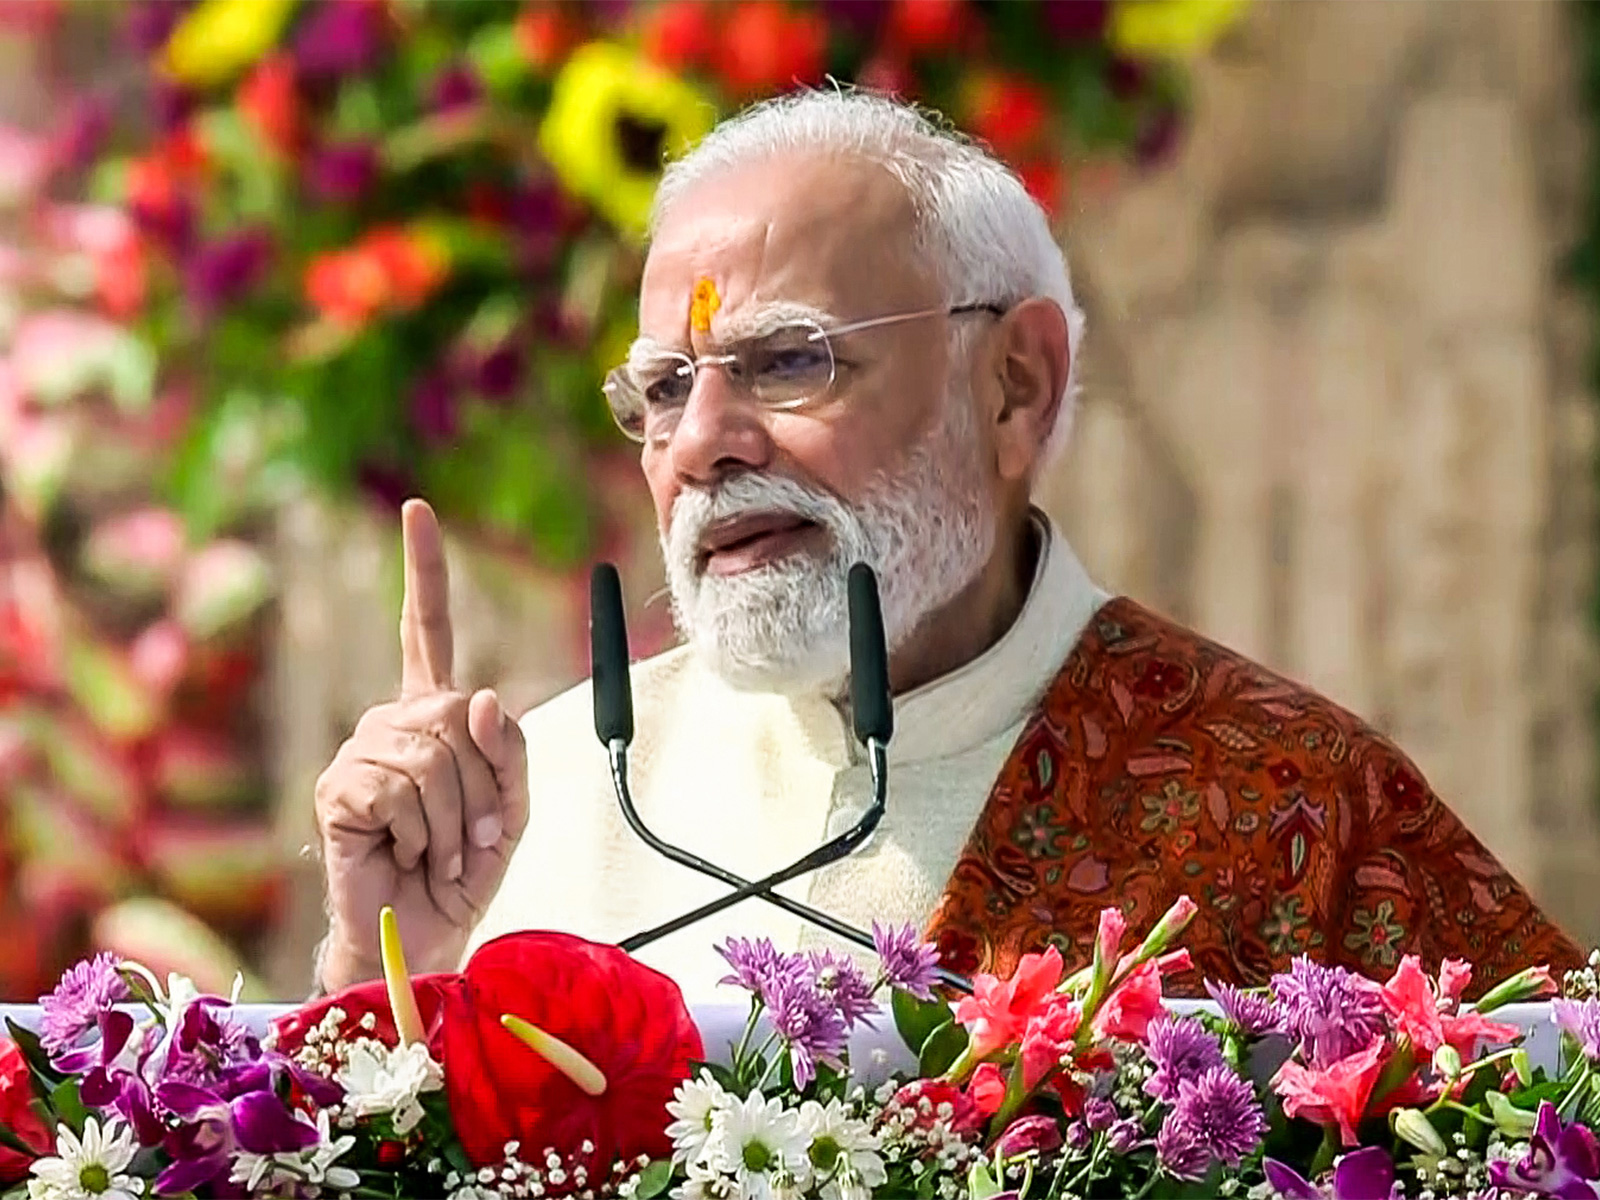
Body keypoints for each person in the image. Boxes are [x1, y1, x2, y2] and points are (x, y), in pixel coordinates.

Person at [311, 91, 1583, 1002]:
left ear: (1016, 384)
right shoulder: (538, 811)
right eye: (659, 387)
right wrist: (386, 981)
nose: (699, 443)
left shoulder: (1285, 808)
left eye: (787, 361)